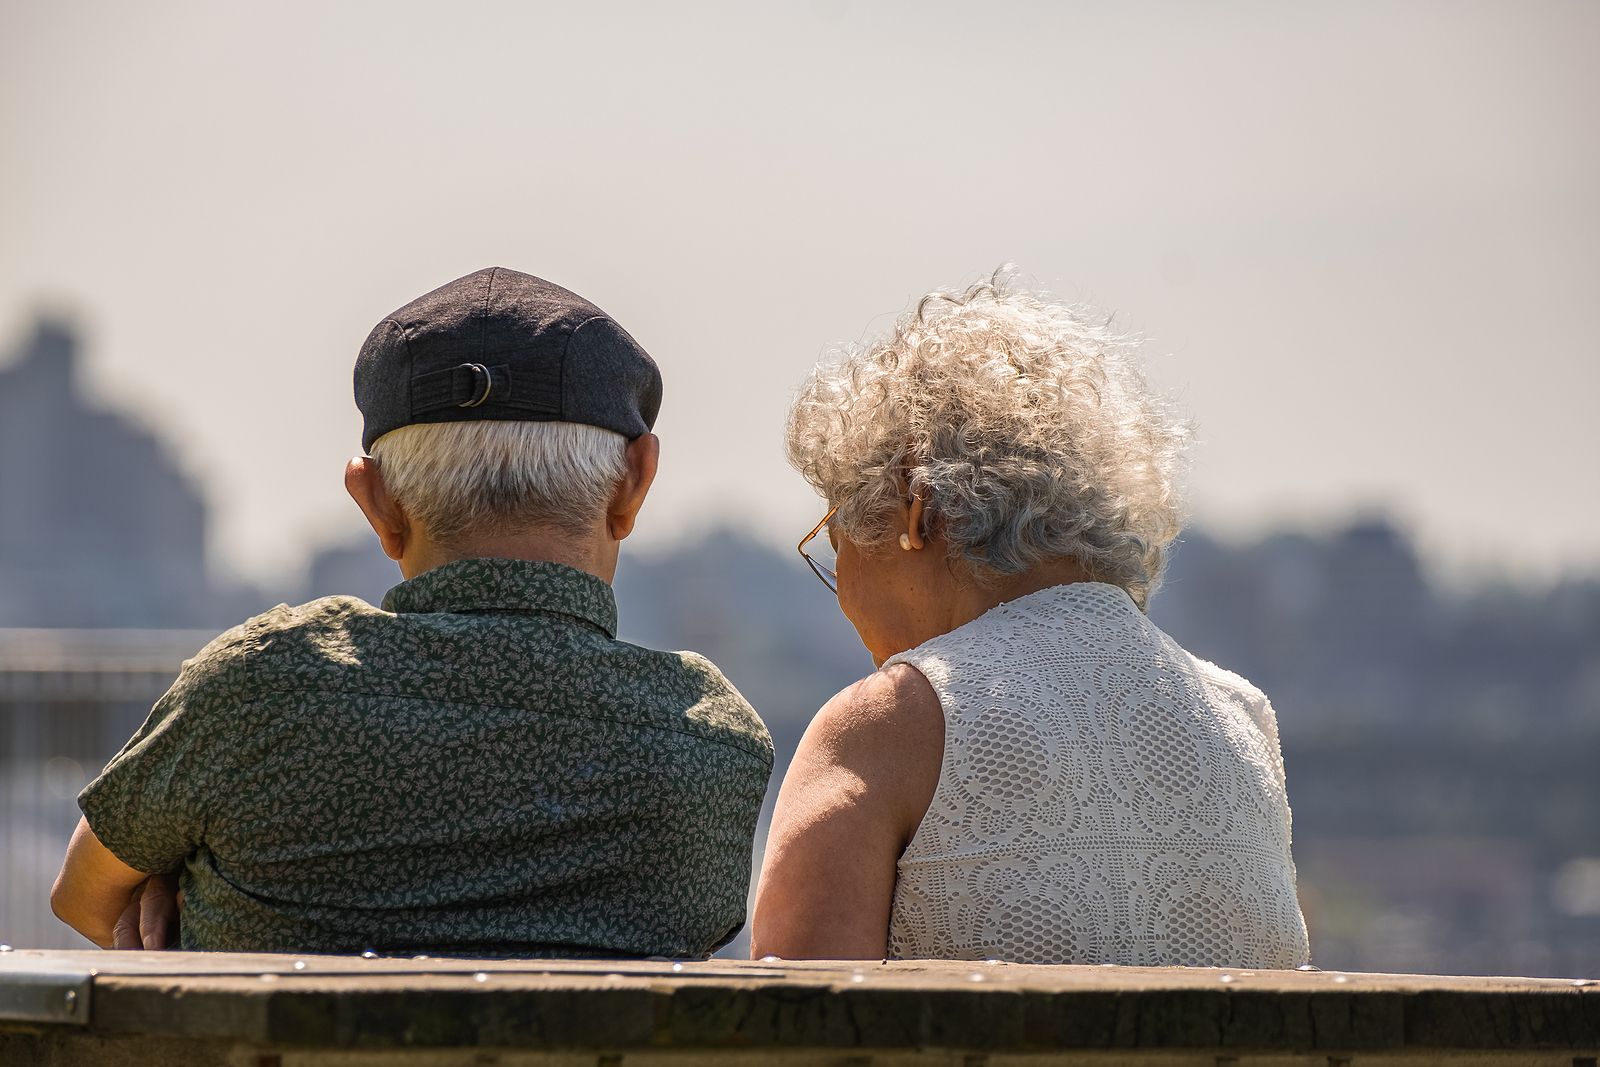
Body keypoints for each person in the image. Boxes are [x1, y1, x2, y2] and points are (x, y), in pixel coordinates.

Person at [52, 267, 772, 957]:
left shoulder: (256, 693)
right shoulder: (715, 745)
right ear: (634, 483)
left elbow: (85, 896)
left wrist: (180, 883)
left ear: (376, 504)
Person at [752, 271, 1310, 968]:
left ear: (916, 508)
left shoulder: (883, 731)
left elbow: (794, 1037)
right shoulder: (1245, 718)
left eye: (837, 541)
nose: (839, 590)